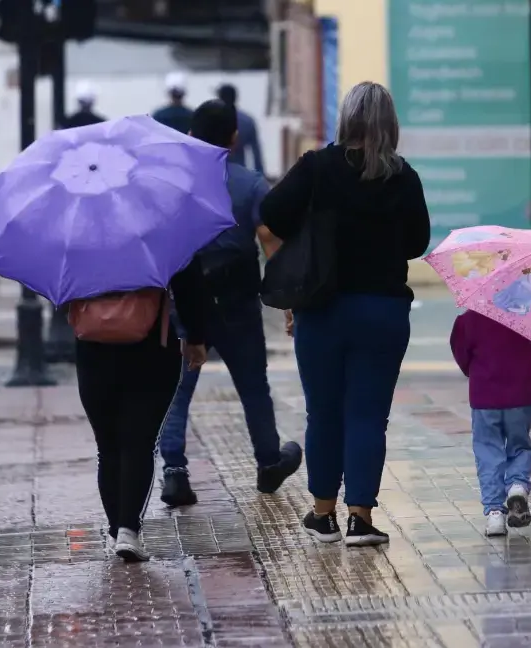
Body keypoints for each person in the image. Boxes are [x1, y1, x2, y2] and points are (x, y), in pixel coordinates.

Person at [260, 81, 431, 547]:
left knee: (324, 414)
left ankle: (323, 514)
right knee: (369, 416)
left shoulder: (318, 167)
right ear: (389, 125)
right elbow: (418, 242)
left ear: (347, 120)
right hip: (384, 311)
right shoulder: (404, 176)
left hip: (323, 311)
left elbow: (271, 211)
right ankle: (361, 517)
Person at [158, 100, 301, 507]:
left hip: (185, 301)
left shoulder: (172, 186)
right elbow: (271, 243)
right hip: (237, 300)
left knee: (177, 390)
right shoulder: (250, 184)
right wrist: (289, 300)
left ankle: (174, 473)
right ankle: (269, 461)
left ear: (189, 136)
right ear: (235, 138)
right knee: (254, 386)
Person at [75, 260, 210, 562]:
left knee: (107, 446)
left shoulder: (77, 235)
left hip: (93, 349)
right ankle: (127, 530)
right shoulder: (159, 229)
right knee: (138, 442)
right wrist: (197, 338)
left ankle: (116, 531)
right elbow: (189, 283)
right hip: (151, 348)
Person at [450, 310, 531, 537]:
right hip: (521, 395)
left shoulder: (467, 320)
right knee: (520, 445)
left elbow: (462, 356)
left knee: (488, 451)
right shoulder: (527, 315)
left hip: (484, 396)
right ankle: (517, 486)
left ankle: (495, 514)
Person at [216, 84, 264, 176]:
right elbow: (256, 152)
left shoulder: (211, 120)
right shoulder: (247, 121)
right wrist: (260, 175)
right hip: (240, 171)